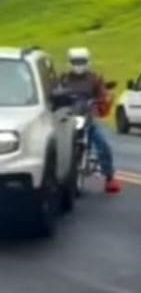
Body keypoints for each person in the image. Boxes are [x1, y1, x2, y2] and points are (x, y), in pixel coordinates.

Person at [57, 47, 121, 194]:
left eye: (82, 61)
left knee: (103, 144)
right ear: (69, 62)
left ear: (87, 62)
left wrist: (103, 99)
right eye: (75, 61)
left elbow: (102, 94)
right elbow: (57, 92)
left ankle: (109, 177)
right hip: (69, 119)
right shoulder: (64, 79)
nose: (78, 65)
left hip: (88, 118)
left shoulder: (95, 78)